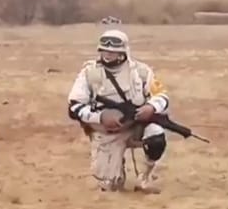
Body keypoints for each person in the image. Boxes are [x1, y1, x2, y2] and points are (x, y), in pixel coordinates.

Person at [66, 29, 169, 193]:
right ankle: (114, 171)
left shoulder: (141, 72)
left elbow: (162, 96)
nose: (108, 54)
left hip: (136, 127)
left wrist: (151, 107)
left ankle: (144, 178)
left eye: (113, 51)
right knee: (110, 187)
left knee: (156, 136)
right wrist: (100, 117)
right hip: (107, 133)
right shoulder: (89, 73)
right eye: (104, 50)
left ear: (123, 52)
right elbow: (74, 107)